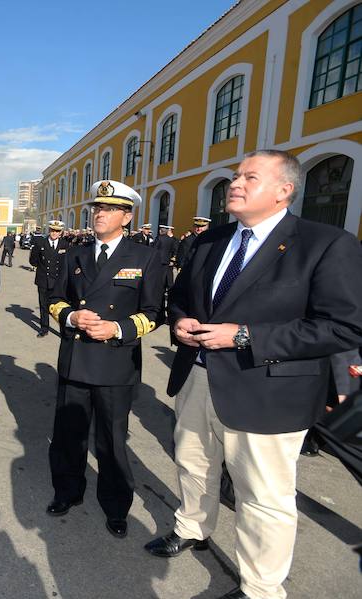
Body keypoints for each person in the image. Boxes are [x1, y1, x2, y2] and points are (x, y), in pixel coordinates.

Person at [144, 150, 362, 599]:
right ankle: (193, 527)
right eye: (236, 175)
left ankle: (262, 588)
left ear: (285, 191)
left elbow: (342, 326)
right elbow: (182, 296)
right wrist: (180, 320)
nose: (235, 183)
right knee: (193, 464)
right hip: (198, 377)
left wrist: (244, 336)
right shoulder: (210, 240)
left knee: (263, 498)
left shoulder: (324, 243)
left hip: (267, 391)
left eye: (250, 177)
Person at [46, 180, 163, 540]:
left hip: (115, 362)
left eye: (110, 208)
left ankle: (115, 506)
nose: (99, 213)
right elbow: (55, 298)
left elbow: (155, 312)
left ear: (126, 217)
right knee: (69, 434)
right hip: (76, 358)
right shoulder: (75, 254)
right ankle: (67, 491)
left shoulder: (145, 257)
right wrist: (70, 318)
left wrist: (117, 328)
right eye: (97, 207)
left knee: (111, 440)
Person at [29, 220, 69, 337]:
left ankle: (63, 329)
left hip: (58, 281)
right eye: (52, 230)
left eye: (57, 231)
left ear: (60, 232)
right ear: (49, 230)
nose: (54, 233)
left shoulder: (65, 244)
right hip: (43, 279)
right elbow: (33, 260)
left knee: (60, 307)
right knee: (44, 305)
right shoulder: (40, 242)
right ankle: (44, 328)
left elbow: (67, 262)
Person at [154, 224, 179, 321]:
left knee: (159, 284)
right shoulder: (171, 240)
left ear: (161, 231)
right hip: (168, 263)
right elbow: (175, 249)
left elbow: (154, 250)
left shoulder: (159, 238)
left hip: (159, 263)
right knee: (169, 282)